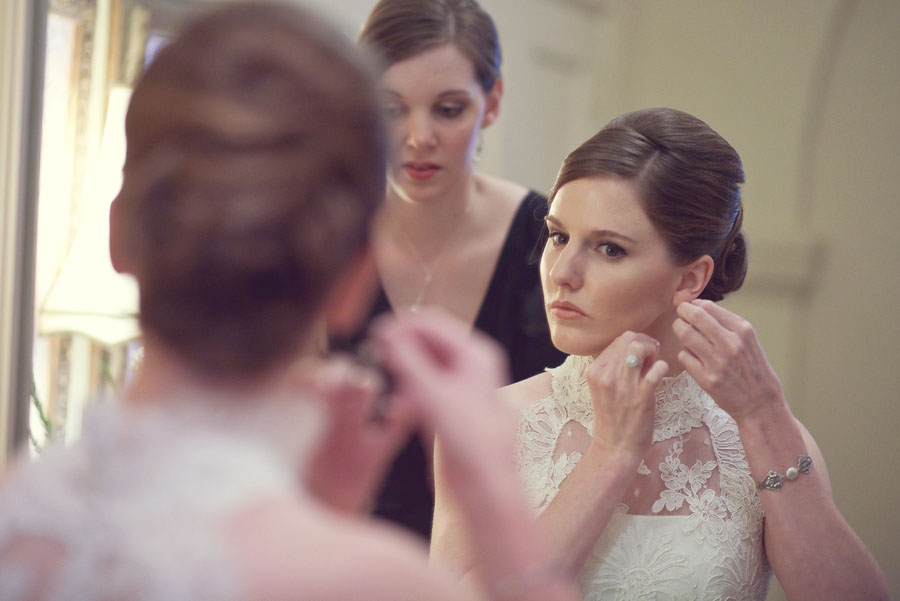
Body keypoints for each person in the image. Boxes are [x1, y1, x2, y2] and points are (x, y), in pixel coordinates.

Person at [0, 4, 582, 601]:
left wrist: (328, 508)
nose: (419, 135)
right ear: (355, 279)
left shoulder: (17, 521)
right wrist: (490, 484)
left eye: (447, 107)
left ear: (117, 235)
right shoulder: (377, 582)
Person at [431, 107, 891, 600]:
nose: (562, 271)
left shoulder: (759, 437)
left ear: (690, 279)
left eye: (609, 249)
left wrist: (764, 417)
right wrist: (611, 454)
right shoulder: (484, 424)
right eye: (560, 236)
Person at [337, 0, 566, 540]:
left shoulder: (548, 235)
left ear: (492, 102)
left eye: (447, 109)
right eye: (392, 109)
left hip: (503, 557)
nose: (419, 137)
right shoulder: (330, 239)